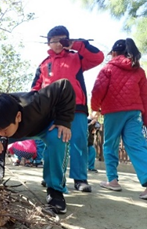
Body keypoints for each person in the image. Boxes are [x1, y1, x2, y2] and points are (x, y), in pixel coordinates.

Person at [0, 79, 76, 214]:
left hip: (46, 126)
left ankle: (55, 190)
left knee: (59, 137)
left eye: (4, 130)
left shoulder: (35, 102)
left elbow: (64, 85)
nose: (0, 134)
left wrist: (64, 120)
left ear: (18, 116)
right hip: (17, 131)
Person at [31, 25, 104, 192]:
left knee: (79, 141)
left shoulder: (77, 57)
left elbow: (98, 57)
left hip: (76, 107)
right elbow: (34, 89)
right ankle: (51, 178)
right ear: (48, 43)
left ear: (67, 41)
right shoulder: (43, 64)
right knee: (54, 141)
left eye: (62, 40)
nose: (57, 44)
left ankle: (80, 179)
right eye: (53, 41)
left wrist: (76, 45)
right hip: (50, 109)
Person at [91, 38, 147, 199]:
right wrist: (145, 118)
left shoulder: (108, 69)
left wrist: (95, 108)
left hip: (113, 111)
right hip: (134, 112)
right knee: (137, 145)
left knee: (110, 144)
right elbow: (145, 96)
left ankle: (113, 181)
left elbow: (98, 90)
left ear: (114, 53)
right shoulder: (139, 71)